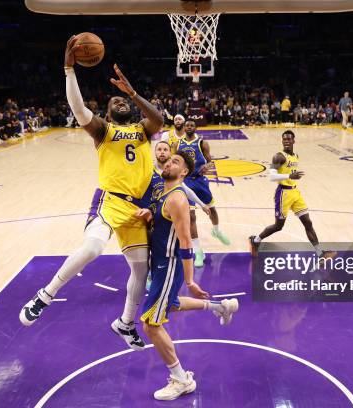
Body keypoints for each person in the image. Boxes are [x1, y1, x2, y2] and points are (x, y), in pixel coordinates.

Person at [20, 35, 164, 352]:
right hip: (110, 201)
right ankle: (45, 295)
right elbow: (78, 107)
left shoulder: (143, 129)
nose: (120, 101)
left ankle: (125, 323)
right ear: (108, 113)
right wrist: (69, 70)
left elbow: (159, 119)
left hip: (138, 209)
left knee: (141, 270)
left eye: (123, 100)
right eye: (115, 101)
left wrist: (134, 93)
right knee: (94, 247)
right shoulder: (103, 129)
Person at [135, 151, 239, 401]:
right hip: (160, 263)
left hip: (169, 265)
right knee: (170, 304)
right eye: (169, 160)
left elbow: (185, 242)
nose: (169, 162)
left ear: (184, 173)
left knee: (151, 324)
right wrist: (151, 216)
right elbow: (166, 225)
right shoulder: (164, 193)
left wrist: (190, 281)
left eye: (176, 162)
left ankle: (181, 379)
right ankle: (220, 307)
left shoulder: (178, 198)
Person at [249, 130, 335, 259]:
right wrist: (289, 175)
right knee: (278, 226)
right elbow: (271, 177)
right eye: (284, 139)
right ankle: (255, 240)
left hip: (295, 192)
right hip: (283, 193)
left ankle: (320, 253)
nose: (286, 141)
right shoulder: (279, 156)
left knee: (308, 222)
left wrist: (292, 177)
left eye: (289, 139)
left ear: (294, 141)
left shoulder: (296, 156)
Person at [173, 120, 231, 267]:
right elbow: (174, 161)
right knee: (191, 217)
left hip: (200, 181)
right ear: (184, 128)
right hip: (186, 182)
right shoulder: (177, 144)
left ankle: (216, 231)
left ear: (195, 128)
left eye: (192, 125)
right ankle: (199, 252)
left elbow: (211, 161)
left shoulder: (202, 143)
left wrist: (207, 165)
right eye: (187, 125)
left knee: (211, 209)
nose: (189, 127)